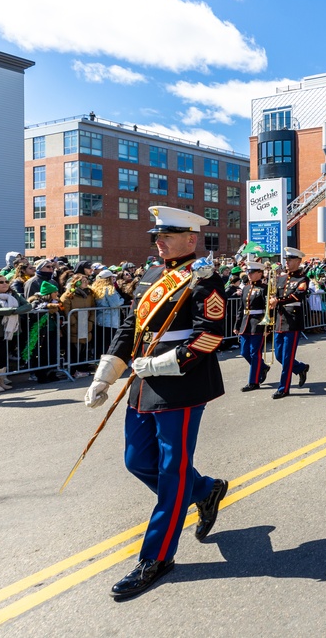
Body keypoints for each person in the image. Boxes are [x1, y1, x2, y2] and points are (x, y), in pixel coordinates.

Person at [84, 205, 229, 601]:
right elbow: (132, 328)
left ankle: (157, 557)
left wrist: (165, 362)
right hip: (143, 383)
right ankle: (206, 490)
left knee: (171, 473)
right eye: (157, 236)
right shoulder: (151, 275)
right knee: (137, 461)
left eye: (167, 235)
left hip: (181, 385)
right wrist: (106, 374)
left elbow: (210, 336)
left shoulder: (204, 278)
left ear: (191, 239)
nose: (159, 241)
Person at [269, 247, 310, 399]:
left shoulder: (302, 279)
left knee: (286, 357)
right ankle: (300, 368)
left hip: (293, 321)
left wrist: (278, 301)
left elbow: (297, 296)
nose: (287, 262)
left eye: (291, 260)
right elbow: (274, 295)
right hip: (280, 320)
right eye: (286, 260)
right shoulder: (280, 279)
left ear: (299, 261)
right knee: (279, 355)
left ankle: (284, 388)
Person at [237, 262, 270, 392]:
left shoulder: (264, 288)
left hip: (258, 323)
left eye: (252, 272)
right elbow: (241, 308)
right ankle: (262, 367)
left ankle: (253, 381)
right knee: (244, 352)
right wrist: (237, 325)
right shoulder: (246, 288)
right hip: (245, 323)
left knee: (254, 353)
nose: (249, 275)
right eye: (248, 273)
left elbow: (268, 309)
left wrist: (268, 326)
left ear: (260, 274)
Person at [60, 273, 97, 371]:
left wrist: (91, 320)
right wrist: (73, 322)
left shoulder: (89, 295)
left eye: (86, 281)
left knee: (85, 345)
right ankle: (74, 367)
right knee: (75, 347)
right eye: (82, 281)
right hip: (75, 325)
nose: (85, 283)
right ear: (76, 282)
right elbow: (66, 310)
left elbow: (93, 308)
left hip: (86, 323)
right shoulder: (68, 295)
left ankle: (82, 365)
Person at [91, 270, 125, 358]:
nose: (113, 278)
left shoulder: (96, 288)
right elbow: (115, 304)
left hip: (100, 319)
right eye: (112, 277)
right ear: (108, 279)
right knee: (108, 343)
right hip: (110, 321)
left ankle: (98, 361)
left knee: (100, 344)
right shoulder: (109, 289)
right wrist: (122, 300)